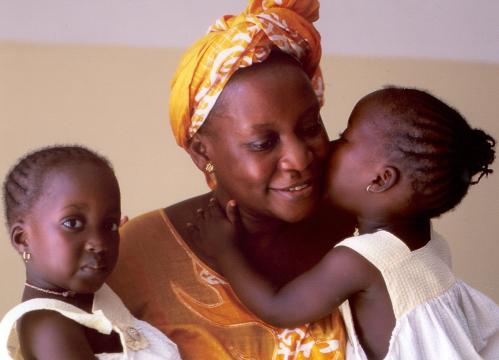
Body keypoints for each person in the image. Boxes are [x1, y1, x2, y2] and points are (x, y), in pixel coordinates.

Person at [107, 0, 355, 359]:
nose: (300, 158)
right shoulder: (139, 254)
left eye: (310, 127)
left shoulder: (368, 228)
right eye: (263, 143)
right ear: (202, 154)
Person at [195, 87, 499, 359]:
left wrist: (225, 248)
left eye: (346, 138)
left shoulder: (360, 259)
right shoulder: (431, 244)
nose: (331, 145)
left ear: (380, 179)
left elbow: (279, 309)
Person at [0, 145, 181, 359]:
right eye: (73, 223)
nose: (99, 243)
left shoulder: (95, 301)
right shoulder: (47, 326)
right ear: (23, 239)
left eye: (110, 225)